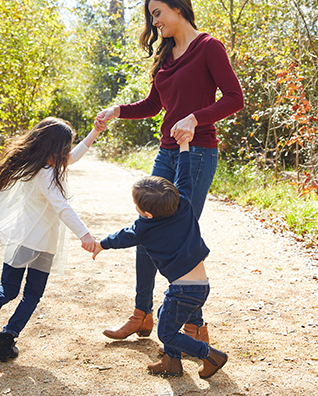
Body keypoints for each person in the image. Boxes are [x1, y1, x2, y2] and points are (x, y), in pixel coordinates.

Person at [96, 0, 244, 343]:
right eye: (151, 15)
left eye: (158, 12)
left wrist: (195, 119)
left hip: (197, 152)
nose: (154, 21)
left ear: (178, 9)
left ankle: (195, 326)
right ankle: (142, 314)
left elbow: (234, 99)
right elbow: (152, 105)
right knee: (147, 228)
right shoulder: (165, 56)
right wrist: (116, 111)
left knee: (180, 235)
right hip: (166, 152)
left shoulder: (209, 48)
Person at [0, 117, 104, 362]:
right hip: (42, 243)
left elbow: (74, 157)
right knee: (32, 294)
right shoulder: (49, 174)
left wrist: (95, 132)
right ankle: (8, 337)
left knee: (8, 288)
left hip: (20, 237)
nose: (68, 152)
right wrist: (85, 235)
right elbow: (63, 208)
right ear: (57, 148)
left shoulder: (32, 166)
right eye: (66, 146)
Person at [92, 138, 228, 378]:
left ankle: (210, 355)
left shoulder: (144, 228)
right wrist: (184, 146)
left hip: (182, 291)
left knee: (166, 333)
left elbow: (121, 237)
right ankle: (171, 363)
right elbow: (184, 174)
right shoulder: (184, 202)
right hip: (201, 286)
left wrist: (101, 245)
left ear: (147, 213)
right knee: (170, 318)